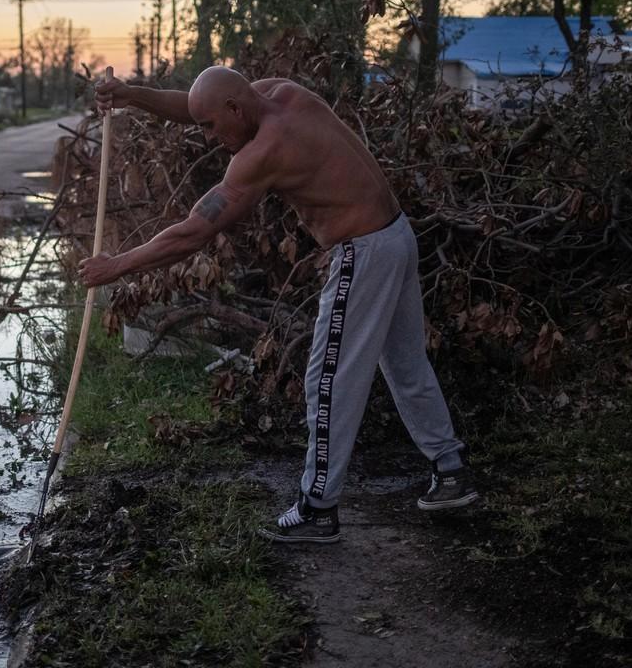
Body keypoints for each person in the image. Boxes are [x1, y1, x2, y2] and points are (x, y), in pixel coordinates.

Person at [79, 66, 477, 545]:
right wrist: (131, 96)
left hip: (364, 252)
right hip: (396, 236)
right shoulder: (276, 94)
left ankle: (318, 509)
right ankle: (449, 470)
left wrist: (115, 266)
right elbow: (193, 105)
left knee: (327, 381)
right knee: (407, 363)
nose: (206, 137)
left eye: (211, 127)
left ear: (235, 109)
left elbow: (193, 232)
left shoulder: (264, 152)